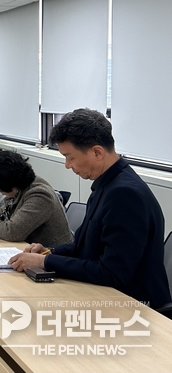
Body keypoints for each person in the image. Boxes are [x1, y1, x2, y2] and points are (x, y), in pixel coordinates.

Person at [9, 109, 171, 308]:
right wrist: (48, 252)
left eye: (70, 157)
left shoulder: (125, 195)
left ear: (97, 152)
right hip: (106, 295)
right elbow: (86, 248)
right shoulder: (107, 184)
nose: (67, 165)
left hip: (134, 306)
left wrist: (44, 263)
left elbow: (112, 273)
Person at [0, 151, 72, 247]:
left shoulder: (39, 195)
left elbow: (13, 231)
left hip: (51, 254)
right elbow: (7, 209)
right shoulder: (22, 184)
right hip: (29, 249)